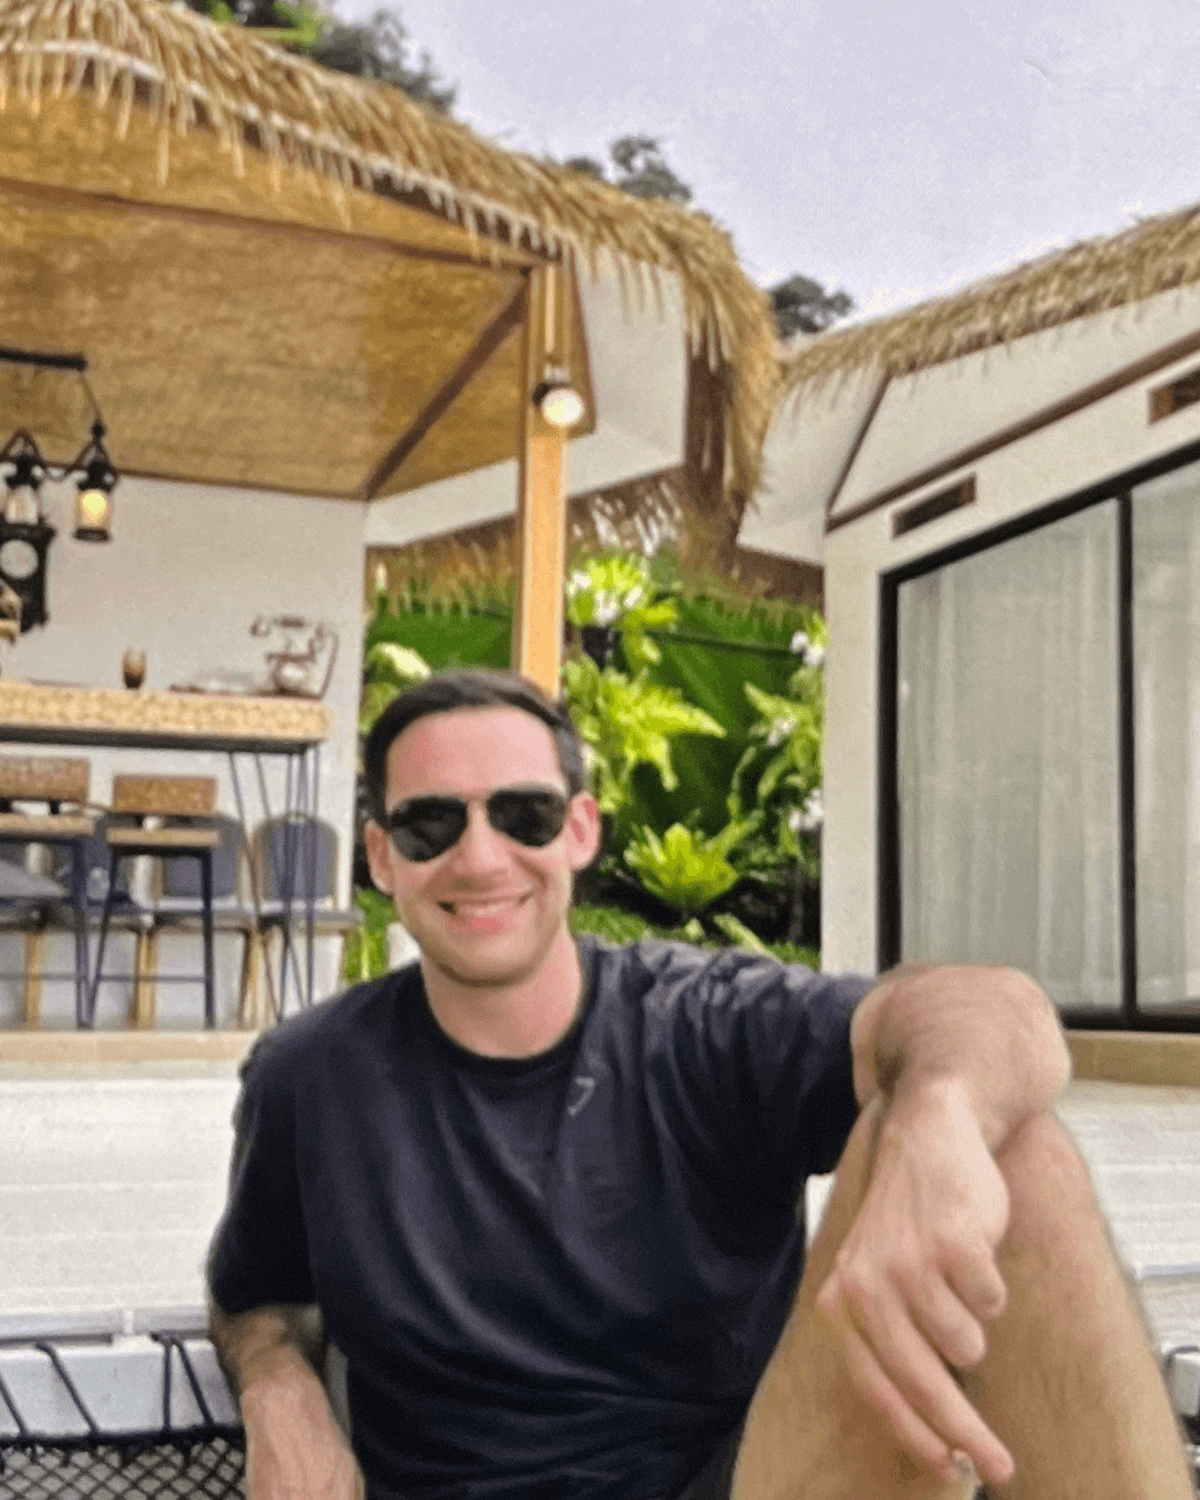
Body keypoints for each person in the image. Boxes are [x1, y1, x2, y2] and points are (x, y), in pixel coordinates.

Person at [207, 669, 1194, 1500]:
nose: (479, 856)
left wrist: (937, 1123)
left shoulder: (700, 1025)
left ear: (579, 832)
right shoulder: (311, 1076)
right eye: (430, 825)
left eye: (523, 815)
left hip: (758, 1480)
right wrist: (274, 1384)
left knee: (1012, 1153)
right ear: (381, 856)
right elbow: (255, 1295)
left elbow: (991, 1011)